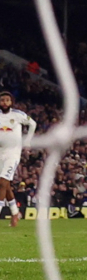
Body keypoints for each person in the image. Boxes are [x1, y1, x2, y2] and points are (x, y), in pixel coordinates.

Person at [0, 91, 36, 227]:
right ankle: (15, 213)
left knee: (3, 183)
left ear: (11, 102)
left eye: (7, 100)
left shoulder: (18, 115)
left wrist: (28, 141)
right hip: (0, 153)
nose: (4, 102)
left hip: (13, 154)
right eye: (2, 100)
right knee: (6, 185)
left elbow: (32, 124)